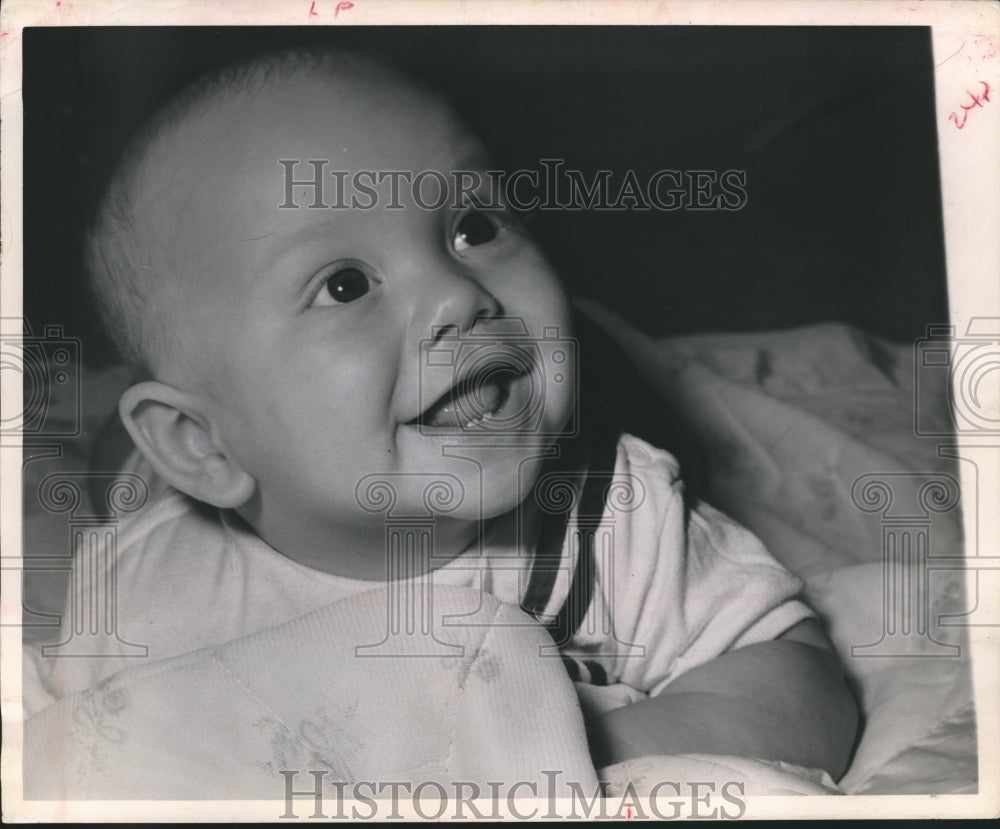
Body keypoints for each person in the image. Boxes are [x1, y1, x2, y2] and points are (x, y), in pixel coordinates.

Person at [58, 48, 857, 778]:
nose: (457, 292)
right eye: (345, 284)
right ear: (200, 443)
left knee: (608, 374)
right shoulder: (149, 602)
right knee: (112, 472)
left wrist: (576, 745)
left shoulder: (608, 517)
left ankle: (610, 349)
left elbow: (802, 679)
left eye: (474, 227)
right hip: (175, 478)